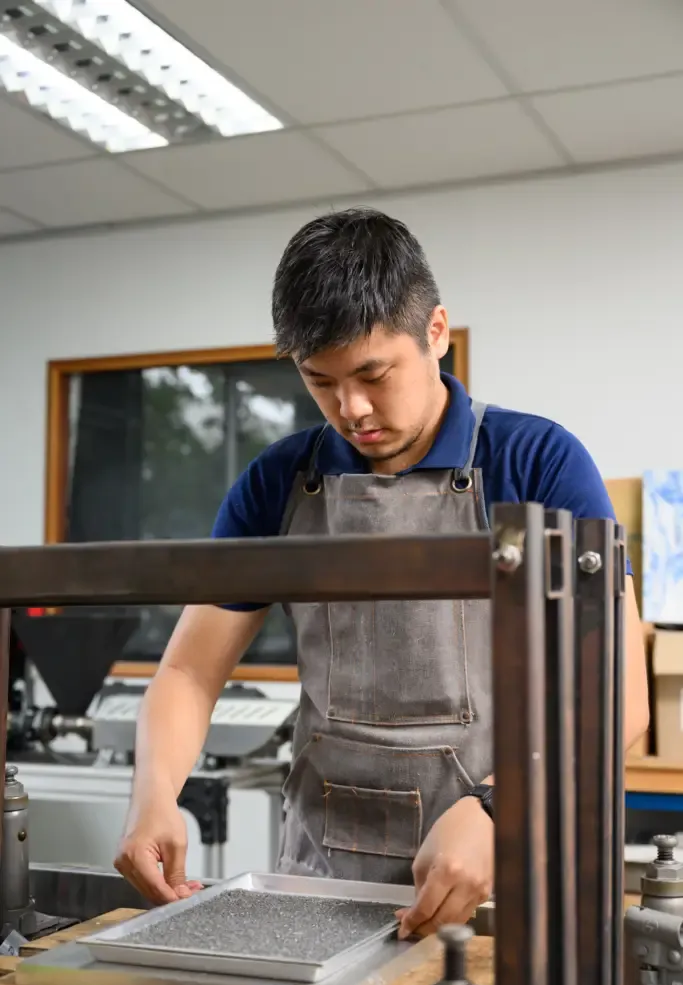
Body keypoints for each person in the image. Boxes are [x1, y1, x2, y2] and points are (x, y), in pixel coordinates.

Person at [114, 208, 649, 938]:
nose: (351, 410)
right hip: (322, 883)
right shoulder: (278, 482)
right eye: (320, 382)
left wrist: (501, 805)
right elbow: (187, 674)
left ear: (435, 332)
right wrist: (152, 794)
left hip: (502, 869)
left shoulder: (537, 461)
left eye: (372, 374)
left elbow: (616, 695)